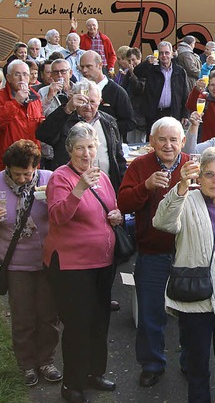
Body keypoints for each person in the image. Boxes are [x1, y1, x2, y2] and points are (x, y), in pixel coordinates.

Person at [153, 147, 215, 403]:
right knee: (197, 368)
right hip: (196, 300)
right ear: (200, 177)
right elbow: (162, 222)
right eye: (209, 174)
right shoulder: (185, 201)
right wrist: (181, 186)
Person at [44, 122, 121, 403]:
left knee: (99, 320)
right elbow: (57, 217)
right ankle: (72, 384)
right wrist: (78, 189)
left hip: (103, 261)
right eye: (80, 148)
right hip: (71, 265)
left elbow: (111, 208)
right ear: (69, 150)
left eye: (91, 147)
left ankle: (94, 373)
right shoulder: (60, 178)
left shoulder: (103, 177)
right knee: (78, 324)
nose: (86, 153)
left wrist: (116, 216)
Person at [117, 117, 189, 388]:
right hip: (152, 251)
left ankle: (189, 361)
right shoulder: (139, 166)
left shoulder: (191, 164)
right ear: (151, 141)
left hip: (187, 253)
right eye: (162, 139)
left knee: (190, 313)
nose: (168, 145)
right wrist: (145, 187)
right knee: (150, 314)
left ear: (182, 141)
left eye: (174, 140)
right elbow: (123, 204)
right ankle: (151, 364)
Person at [0, 140, 61, 387]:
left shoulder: (50, 178)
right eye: (17, 174)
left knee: (49, 315)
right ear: (7, 169)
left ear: (37, 166)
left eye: (28, 173)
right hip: (15, 263)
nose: (24, 178)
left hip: (47, 260)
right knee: (23, 317)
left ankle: (46, 360)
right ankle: (26, 364)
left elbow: (66, 211)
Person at [36, 80, 127, 192]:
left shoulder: (109, 122)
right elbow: (43, 134)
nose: (88, 107)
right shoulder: (64, 118)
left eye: (92, 102)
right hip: (71, 188)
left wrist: (123, 188)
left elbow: (118, 156)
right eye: (83, 102)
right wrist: (67, 109)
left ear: (100, 101)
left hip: (106, 187)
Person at [134, 41, 190, 138]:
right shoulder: (151, 69)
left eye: (167, 53)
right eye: (161, 53)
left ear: (172, 54)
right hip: (154, 113)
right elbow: (136, 72)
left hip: (173, 112)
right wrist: (147, 63)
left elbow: (185, 94)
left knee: (172, 139)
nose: (164, 56)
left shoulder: (179, 71)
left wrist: (185, 114)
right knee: (153, 141)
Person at [79, 50, 136, 141]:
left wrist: (105, 128)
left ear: (100, 65)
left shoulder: (117, 92)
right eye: (82, 67)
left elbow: (130, 123)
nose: (84, 70)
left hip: (109, 144)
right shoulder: (80, 90)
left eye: (88, 66)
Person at [0, 60, 44, 170]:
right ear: (8, 78)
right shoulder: (1, 97)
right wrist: (16, 101)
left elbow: (39, 121)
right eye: (17, 74)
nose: (21, 78)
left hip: (31, 161)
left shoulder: (35, 98)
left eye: (25, 74)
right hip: (9, 161)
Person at [186, 70, 215, 141]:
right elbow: (190, 105)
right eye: (212, 85)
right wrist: (197, 89)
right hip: (206, 143)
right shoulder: (204, 99)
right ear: (208, 86)